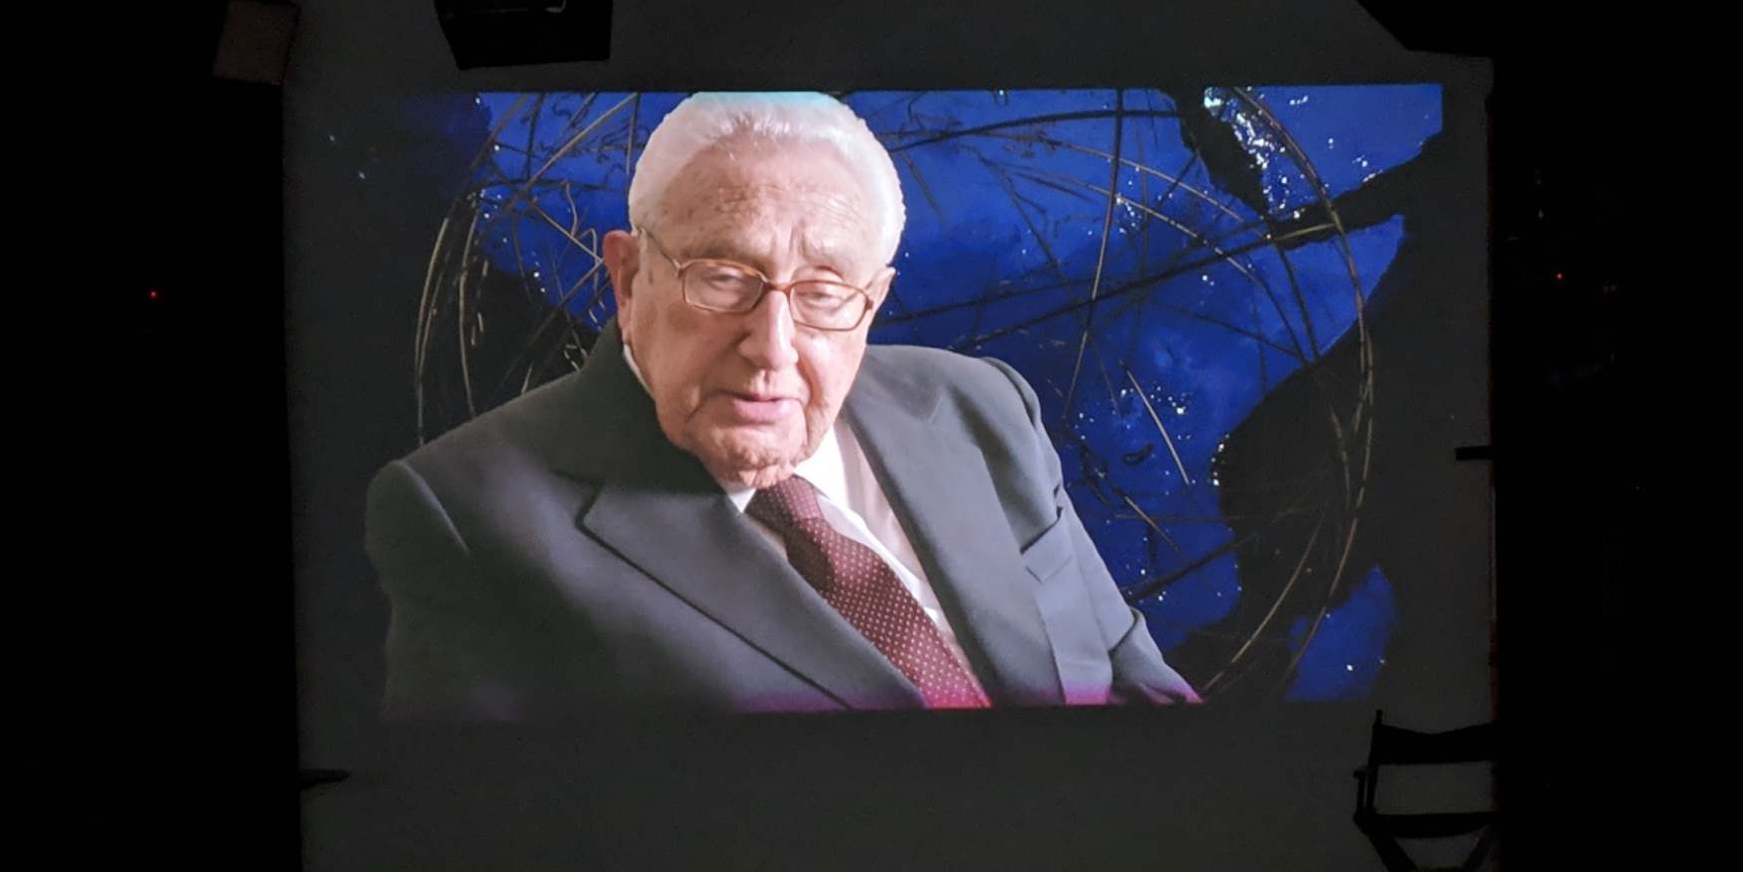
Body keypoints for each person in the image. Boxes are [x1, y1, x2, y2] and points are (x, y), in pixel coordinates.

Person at [369, 92, 1199, 718]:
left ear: (872, 304)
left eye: (824, 291)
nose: (772, 346)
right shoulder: (466, 516)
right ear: (628, 280)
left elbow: (1136, 689)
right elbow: (498, 841)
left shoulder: (981, 407)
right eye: (724, 279)